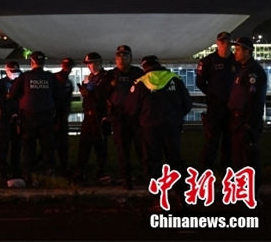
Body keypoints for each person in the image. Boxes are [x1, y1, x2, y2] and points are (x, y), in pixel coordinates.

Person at [126, 55, 191, 201]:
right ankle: (182, 195)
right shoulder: (175, 79)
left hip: (149, 128)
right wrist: (176, 117)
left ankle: (158, 197)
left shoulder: (141, 83)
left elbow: (131, 108)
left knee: (153, 161)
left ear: (144, 67)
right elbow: (187, 104)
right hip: (172, 127)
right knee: (175, 159)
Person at [9, 51, 57, 181]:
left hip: (28, 117)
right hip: (46, 116)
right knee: (47, 146)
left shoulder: (25, 77)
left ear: (32, 62)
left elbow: (12, 94)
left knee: (28, 146)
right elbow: (58, 95)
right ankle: (48, 172)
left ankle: (28, 174)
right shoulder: (50, 77)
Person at [196, 31, 238, 174]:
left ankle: (227, 170)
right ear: (217, 43)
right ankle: (206, 170)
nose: (225, 45)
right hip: (215, 106)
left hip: (232, 107)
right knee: (212, 139)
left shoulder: (236, 60)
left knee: (229, 139)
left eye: (227, 42)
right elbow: (200, 82)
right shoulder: (208, 61)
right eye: (222, 42)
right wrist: (213, 95)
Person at [228, 37, 267, 177]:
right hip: (239, 120)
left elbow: (253, 99)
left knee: (248, 158)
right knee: (239, 158)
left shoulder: (253, 71)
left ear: (247, 51)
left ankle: (251, 188)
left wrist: (248, 123)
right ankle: (242, 188)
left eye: (238, 50)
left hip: (246, 121)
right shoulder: (244, 69)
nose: (235, 52)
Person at [107, 44, 144, 189]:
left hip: (137, 118)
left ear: (131, 58)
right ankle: (126, 179)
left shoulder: (138, 73)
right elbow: (102, 94)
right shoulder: (111, 75)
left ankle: (147, 176)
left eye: (125, 55)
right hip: (119, 118)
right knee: (123, 150)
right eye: (119, 56)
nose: (121, 58)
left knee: (142, 148)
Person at [73, 52, 112, 184]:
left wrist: (89, 94)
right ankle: (81, 173)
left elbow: (103, 95)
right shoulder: (91, 77)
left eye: (91, 63)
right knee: (84, 145)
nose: (89, 66)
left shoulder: (105, 77)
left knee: (100, 146)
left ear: (98, 63)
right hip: (88, 114)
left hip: (99, 116)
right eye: (88, 64)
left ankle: (101, 173)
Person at [0, 61, 21, 180]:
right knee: (3, 146)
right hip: (4, 119)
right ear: (6, 70)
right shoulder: (1, 83)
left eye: (16, 71)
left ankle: (16, 171)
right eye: (12, 71)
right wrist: (6, 97)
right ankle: (2, 171)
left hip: (17, 119)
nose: (15, 74)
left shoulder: (20, 82)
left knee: (17, 147)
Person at [52, 57, 75, 176]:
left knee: (58, 142)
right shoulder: (60, 80)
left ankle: (60, 166)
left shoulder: (62, 80)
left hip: (59, 115)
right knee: (59, 143)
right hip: (57, 116)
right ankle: (60, 167)